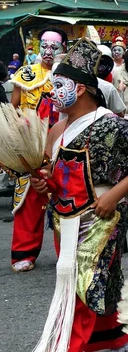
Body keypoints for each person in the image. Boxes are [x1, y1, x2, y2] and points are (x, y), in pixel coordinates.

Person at [30, 37, 128, 352]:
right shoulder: (56, 131)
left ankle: (71, 346)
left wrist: (114, 195)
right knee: (91, 282)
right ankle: (114, 338)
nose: (53, 92)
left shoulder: (110, 125)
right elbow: (54, 176)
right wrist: (44, 184)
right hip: (65, 219)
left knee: (84, 285)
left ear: (82, 88)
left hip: (100, 220)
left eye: (59, 84)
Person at [9, 27, 67, 272]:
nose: (48, 51)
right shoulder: (25, 74)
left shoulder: (67, 76)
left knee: (65, 198)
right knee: (28, 200)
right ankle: (24, 253)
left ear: (64, 47)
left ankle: (66, 253)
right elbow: (13, 109)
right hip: (30, 146)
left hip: (61, 144)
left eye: (54, 46)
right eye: (44, 45)